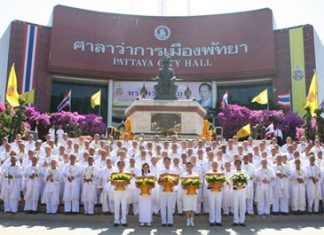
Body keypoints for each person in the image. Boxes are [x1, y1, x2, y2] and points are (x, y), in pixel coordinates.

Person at [158, 157, 178, 227]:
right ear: (164, 162)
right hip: (162, 190)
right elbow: (158, 181)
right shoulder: (160, 171)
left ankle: (170, 221)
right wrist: (164, 184)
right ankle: (163, 221)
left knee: (170, 206)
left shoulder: (173, 171)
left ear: (170, 162)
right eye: (165, 161)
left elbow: (176, 182)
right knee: (163, 206)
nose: (167, 163)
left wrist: (171, 184)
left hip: (171, 190)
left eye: (168, 161)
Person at [112, 160, 130, 227]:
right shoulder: (114, 173)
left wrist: (124, 183)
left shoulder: (127, 173)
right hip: (116, 191)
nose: (121, 166)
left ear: (124, 165)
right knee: (116, 207)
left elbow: (128, 182)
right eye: (119, 165)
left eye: (122, 165)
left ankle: (124, 221)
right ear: (117, 166)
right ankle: (116, 221)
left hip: (124, 191)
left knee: (124, 207)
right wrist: (116, 183)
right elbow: (112, 182)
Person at [182, 162, 199, 227]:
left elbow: (198, 184)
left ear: (192, 167)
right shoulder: (183, 175)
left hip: (194, 193)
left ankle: (192, 220)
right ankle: (188, 220)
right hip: (186, 193)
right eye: (188, 166)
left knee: (193, 207)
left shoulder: (196, 175)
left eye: (191, 166)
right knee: (187, 207)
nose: (189, 167)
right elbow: (182, 185)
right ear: (186, 167)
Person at [205, 161, 223, 226]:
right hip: (211, 190)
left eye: (216, 164)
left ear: (218, 165)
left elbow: (223, 181)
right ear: (211, 165)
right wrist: (211, 184)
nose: (215, 166)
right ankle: (212, 221)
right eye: (213, 164)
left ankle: (218, 221)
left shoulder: (221, 172)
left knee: (218, 206)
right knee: (211, 205)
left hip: (219, 190)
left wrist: (220, 184)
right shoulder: (208, 173)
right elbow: (206, 181)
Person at [231, 159, 247, 226]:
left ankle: (242, 221)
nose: (238, 165)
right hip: (235, 189)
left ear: (241, 164)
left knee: (242, 205)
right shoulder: (232, 172)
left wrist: (243, 182)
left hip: (242, 189)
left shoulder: (244, 171)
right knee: (235, 205)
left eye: (239, 164)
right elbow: (230, 180)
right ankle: (236, 221)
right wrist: (234, 182)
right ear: (235, 165)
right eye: (236, 164)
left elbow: (247, 180)